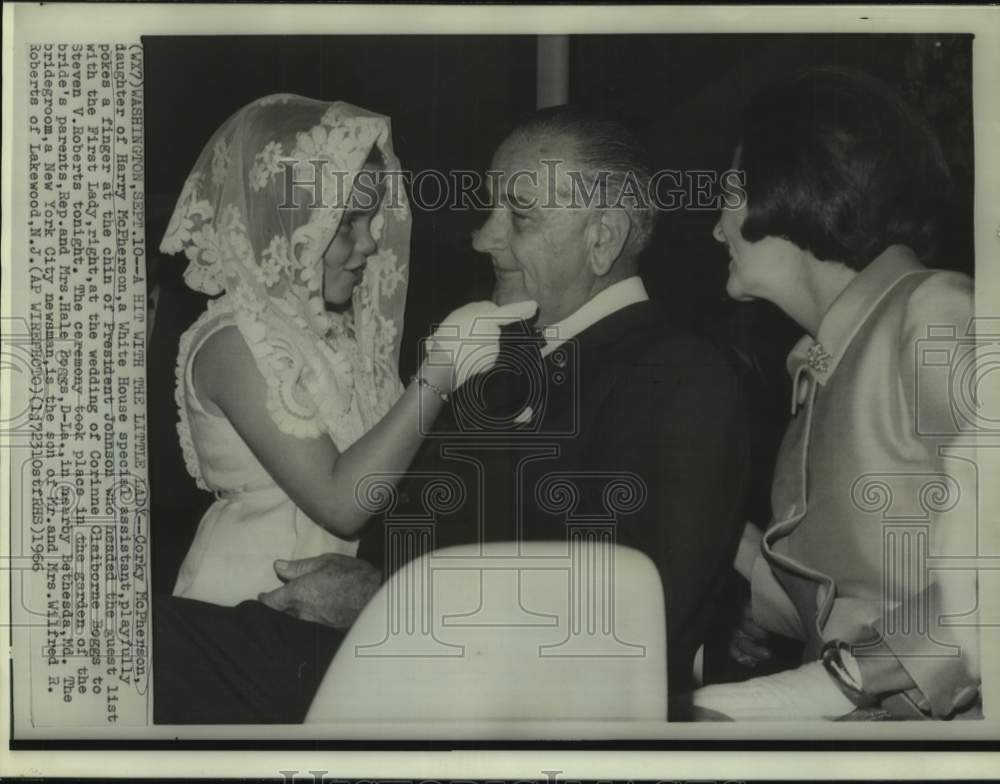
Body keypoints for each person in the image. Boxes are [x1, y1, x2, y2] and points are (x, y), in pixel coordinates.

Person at [267, 105, 751, 701]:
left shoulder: (679, 376)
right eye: (491, 210)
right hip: (357, 672)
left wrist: (383, 601)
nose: (482, 238)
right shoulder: (483, 354)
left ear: (602, 238)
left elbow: (632, 620)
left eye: (519, 217)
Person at [158, 95, 535, 607]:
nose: (370, 244)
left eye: (373, 221)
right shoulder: (232, 342)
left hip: (335, 600)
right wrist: (442, 368)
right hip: (251, 601)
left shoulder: (342, 339)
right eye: (347, 223)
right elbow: (342, 503)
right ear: (289, 224)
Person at [691, 68, 980, 720]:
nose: (717, 229)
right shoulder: (818, 375)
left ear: (797, 181)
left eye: (731, 194)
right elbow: (839, 612)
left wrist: (839, 682)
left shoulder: (935, 311)